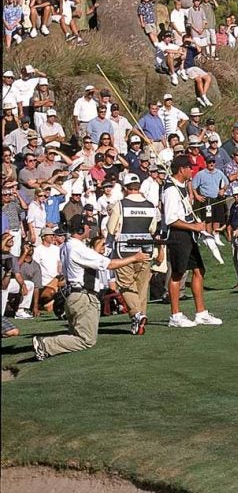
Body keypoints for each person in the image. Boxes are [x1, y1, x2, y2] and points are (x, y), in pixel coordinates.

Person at [32, 214, 150, 361]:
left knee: (75, 338)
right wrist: (134, 258)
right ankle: (45, 344)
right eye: (88, 226)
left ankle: (47, 349)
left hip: (73, 296)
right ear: (81, 229)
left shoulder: (66, 246)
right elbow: (108, 264)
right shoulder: (78, 248)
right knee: (86, 340)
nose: (90, 229)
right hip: (83, 297)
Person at [162, 155, 221, 328]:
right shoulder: (171, 190)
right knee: (178, 274)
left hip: (189, 234)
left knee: (199, 270)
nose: (193, 171)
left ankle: (201, 313)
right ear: (182, 169)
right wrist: (194, 227)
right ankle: (175, 315)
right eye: (190, 168)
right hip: (178, 235)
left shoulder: (180, 186)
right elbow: (171, 219)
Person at [105, 172, 159, 335]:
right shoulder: (150, 205)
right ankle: (139, 322)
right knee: (142, 288)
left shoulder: (120, 205)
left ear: (125, 188)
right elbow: (153, 229)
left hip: (125, 251)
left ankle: (137, 314)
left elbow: (110, 229)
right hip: (146, 250)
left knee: (125, 284)